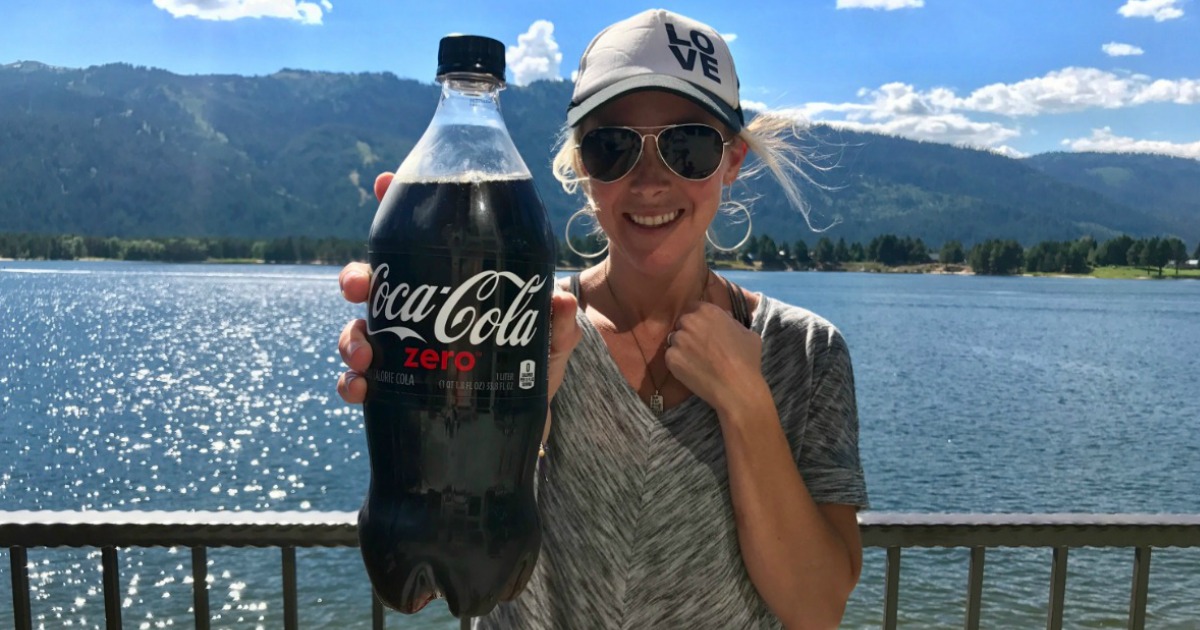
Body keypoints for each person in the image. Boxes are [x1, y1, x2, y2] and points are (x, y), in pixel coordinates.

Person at [337, 9, 867, 629]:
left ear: (732, 161)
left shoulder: (804, 351)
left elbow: (818, 607)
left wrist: (747, 403)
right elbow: (467, 517)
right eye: (612, 146)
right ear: (581, 166)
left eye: (687, 146)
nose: (649, 181)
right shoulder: (514, 324)